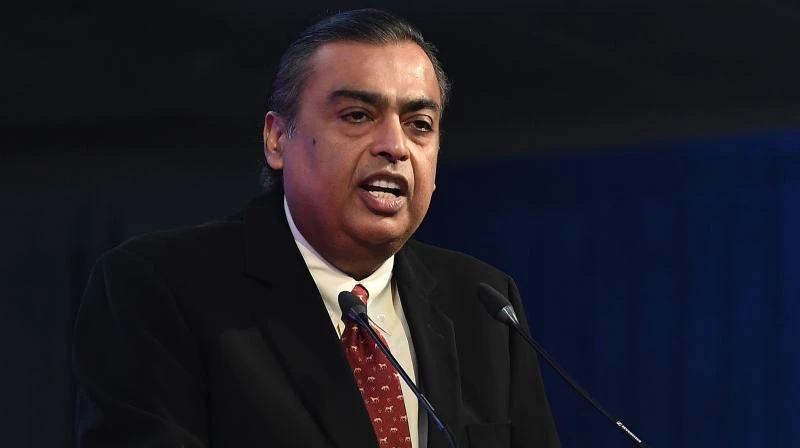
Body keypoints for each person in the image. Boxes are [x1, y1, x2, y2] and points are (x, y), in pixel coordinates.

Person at [72, 9, 560, 448]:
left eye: (419, 124)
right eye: (357, 116)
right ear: (277, 139)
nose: (395, 146)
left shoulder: (484, 304)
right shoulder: (160, 288)